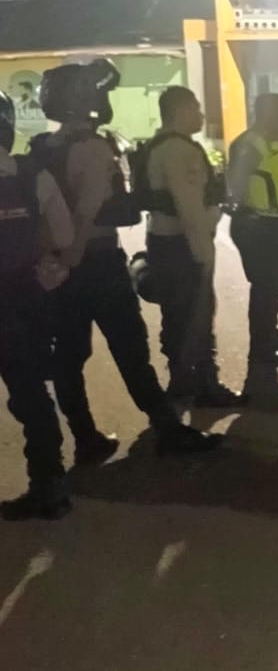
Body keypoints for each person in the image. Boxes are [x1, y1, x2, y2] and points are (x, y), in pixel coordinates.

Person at [28, 61, 218, 460]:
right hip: (95, 261)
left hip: (59, 263)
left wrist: (58, 263)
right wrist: (74, 257)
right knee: (130, 348)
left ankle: (85, 438)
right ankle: (167, 429)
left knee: (69, 356)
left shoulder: (45, 147)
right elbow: (87, 211)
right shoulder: (92, 147)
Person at [140, 86, 248, 408]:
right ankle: (204, 385)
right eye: (196, 108)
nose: (201, 115)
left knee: (175, 315)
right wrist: (203, 255)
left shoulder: (157, 145)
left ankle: (181, 381)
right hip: (184, 245)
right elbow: (189, 209)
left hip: (163, 241)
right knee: (196, 316)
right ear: (180, 110)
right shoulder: (179, 150)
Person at [0, 88, 73, 520]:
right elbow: (63, 236)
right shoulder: (34, 176)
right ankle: (50, 486)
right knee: (31, 395)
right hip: (23, 300)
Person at [227, 93, 278, 365]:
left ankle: (271, 335)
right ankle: (261, 347)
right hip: (259, 226)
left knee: (273, 287)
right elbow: (236, 186)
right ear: (267, 115)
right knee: (264, 287)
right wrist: (248, 216)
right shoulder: (249, 145)